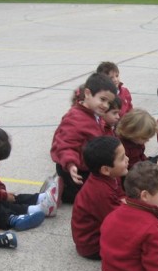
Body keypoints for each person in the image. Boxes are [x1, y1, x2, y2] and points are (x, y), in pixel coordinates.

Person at [50, 73, 118, 204]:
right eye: (102, 99)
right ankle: (59, 191)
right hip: (74, 169)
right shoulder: (75, 118)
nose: (105, 105)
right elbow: (65, 144)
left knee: (107, 186)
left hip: (87, 165)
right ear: (87, 93)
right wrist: (70, 164)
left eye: (108, 102)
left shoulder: (94, 114)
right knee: (90, 197)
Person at [71, 136, 128, 260]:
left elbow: (120, 194)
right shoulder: (101, 191)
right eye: (122, 158)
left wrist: (126, 202)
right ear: (106, 169)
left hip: (100, 230)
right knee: (139, 242)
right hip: (93, 246)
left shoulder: (110, 176)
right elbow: (119, 221)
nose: (127, 159)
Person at [116, 108, 158, 187]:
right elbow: (126, 169)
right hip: (132, 174)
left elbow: (142, 157)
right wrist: (149, 169)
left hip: (141, 165)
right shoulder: (122, 146)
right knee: (152, 173)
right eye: (144, 138)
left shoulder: (137, 142)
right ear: (132, 133)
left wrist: (150, 165)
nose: (147, 140)